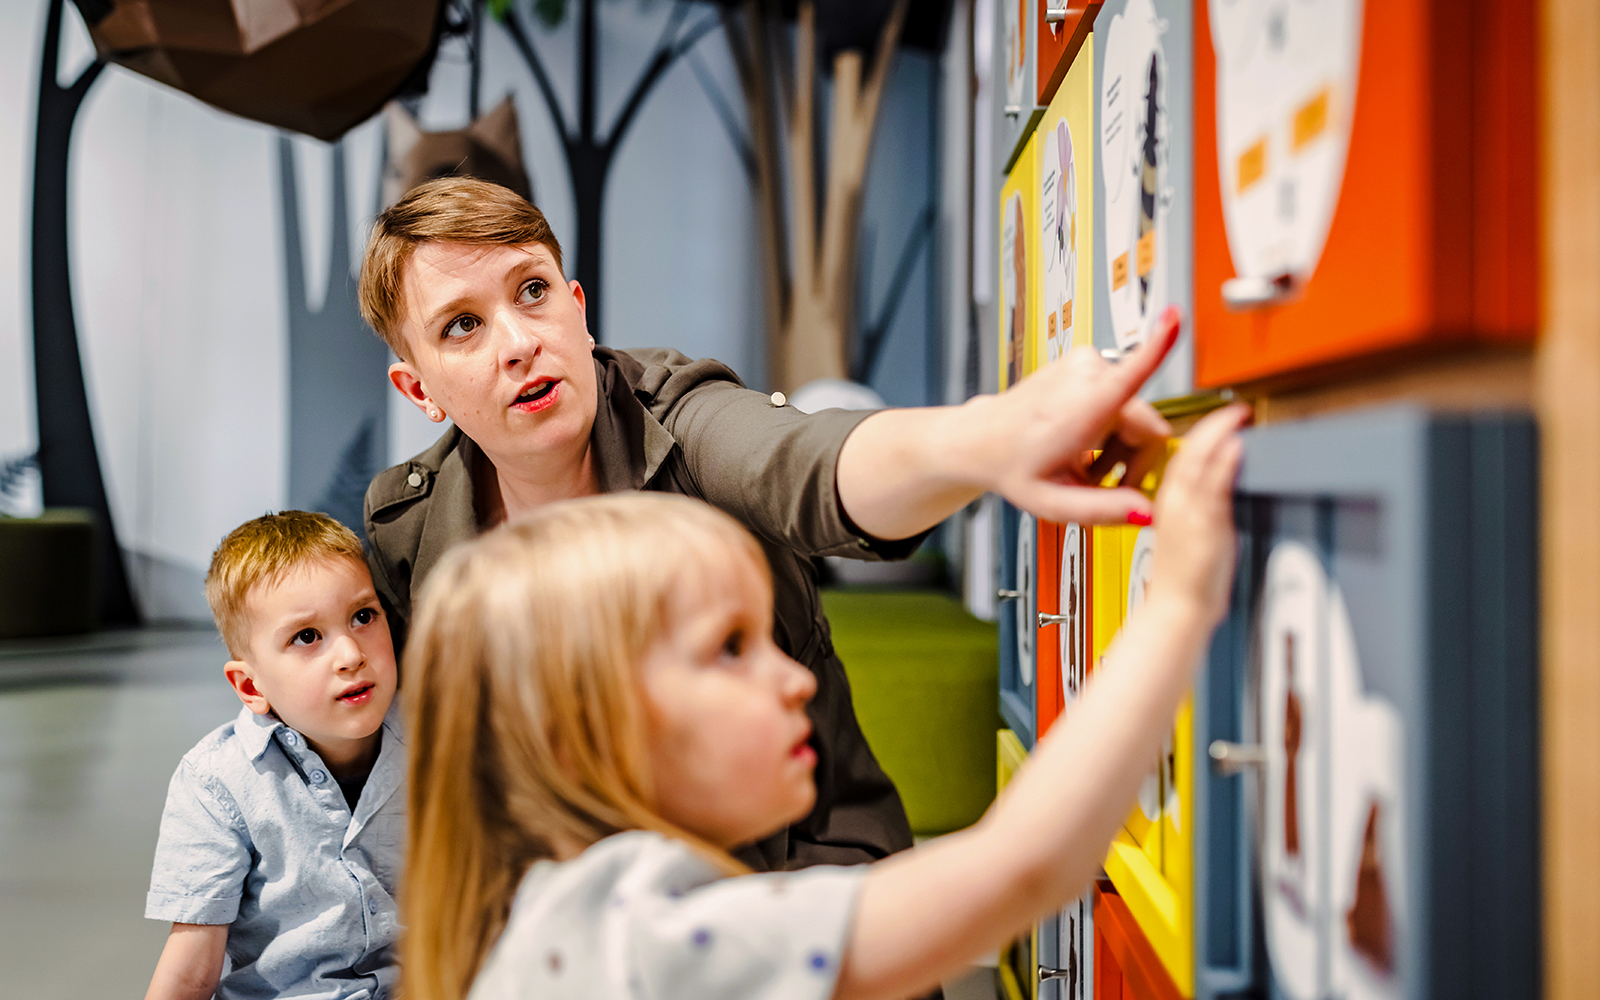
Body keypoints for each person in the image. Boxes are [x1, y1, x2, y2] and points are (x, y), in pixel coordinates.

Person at [358, 177, 1176, 872]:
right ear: (418, 389)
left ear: (577, 308)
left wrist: (989, 439)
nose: (518, 343)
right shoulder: (412, 527)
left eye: (531, 291)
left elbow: (808, 462)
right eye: (461, 325)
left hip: (788, 883)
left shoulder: (680, 420)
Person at [400, 401, 1247, 1000]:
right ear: (582, 727)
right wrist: (1178, 603)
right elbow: (1021, 867)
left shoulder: (560, 916)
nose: (797, 680)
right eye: (730, 649)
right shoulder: (639, 934)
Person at [143, 512, 405, 1000]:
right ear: (250, 685)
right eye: (306, 636)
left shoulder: (441, 745)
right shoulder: (214, 783)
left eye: (363, 616)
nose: (350, 653)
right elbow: (190, 973)